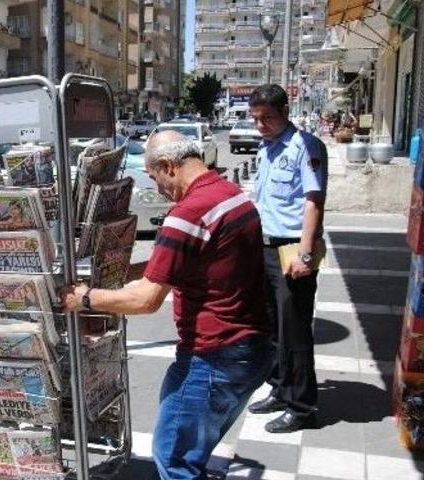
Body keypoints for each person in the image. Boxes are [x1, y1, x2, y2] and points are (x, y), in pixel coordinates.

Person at [62, 130, 272, 480]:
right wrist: (122, 272)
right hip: (251, 349)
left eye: (154, 176)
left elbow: (146, 301)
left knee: (174, 456)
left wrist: (84, 298)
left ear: (168, 166)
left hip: (213, 357)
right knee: (194, 448)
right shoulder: (231, 195)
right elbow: (191, 260)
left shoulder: (187, 213)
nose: (157, 187)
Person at [246, 84, 328, 433]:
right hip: (264, 247)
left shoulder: (306, 147)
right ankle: (280, 389)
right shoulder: (266, 149)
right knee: (273, 326)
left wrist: (306, 255)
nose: (261, 124)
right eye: (256, 118)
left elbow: (313, 202)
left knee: (295, 331)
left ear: (285, 112)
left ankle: (302, 406)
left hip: (292, 249)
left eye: (267, 117)